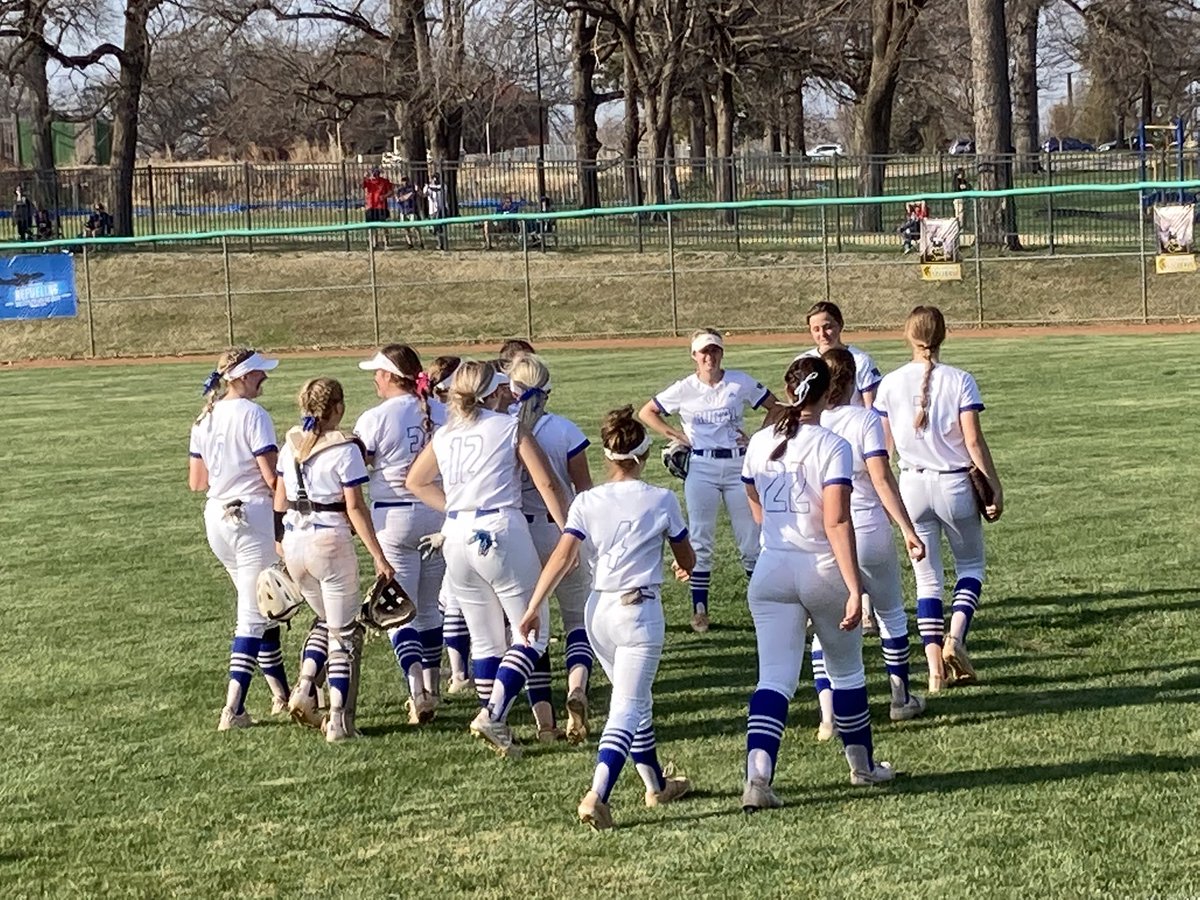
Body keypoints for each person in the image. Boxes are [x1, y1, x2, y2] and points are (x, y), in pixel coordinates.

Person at [517, 406, 695, 830]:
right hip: (638, 610)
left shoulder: (586, 501)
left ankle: (655, 784)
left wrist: (533, 605)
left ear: (609, 456)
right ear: (644, 455)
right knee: (627, 706)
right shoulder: (661, 498)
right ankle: (598, 793)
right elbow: (687, 555)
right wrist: (683, 566)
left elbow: (563, 557)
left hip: (599, 611)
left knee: (636, 701)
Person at [741, 357, 895, 813]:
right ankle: (862, 766)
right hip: (821, 567)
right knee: (846, 670)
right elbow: (837, 519)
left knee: (773, 678)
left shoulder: (761, 440)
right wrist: (854, 586)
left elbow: (752, 494)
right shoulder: (833, 444)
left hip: (773, 568)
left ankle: (757, 778)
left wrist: (773, 532)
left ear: (788, 390)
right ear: (831, 394)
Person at [405, 361, 570, 757]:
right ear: (493, 392)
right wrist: (568, 531)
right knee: (532, 631)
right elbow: (545, 481)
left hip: (458, 534)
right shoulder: (509, 427)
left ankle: (495, 719)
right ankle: (494, 715)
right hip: (500, 528)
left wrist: (456, 509)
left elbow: (415, 481)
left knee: (485, 640)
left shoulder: (446, 434)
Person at [873, 306, 1003, 690]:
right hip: (954, 484)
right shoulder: (960, 380)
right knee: (971, 567)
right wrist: (994, 483)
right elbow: (973, 441)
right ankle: (956, 638)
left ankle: (933, 673)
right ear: (943, 335)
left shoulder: (891, 383)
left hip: (912, 484)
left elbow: (885, 448)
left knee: (926, 581)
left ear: (907, 336)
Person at [808, 347, 927, 739]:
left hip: (827, 533)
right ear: (855, 381)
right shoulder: (865, 421)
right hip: (868, 526)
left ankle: (828, 716)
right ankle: (900, 698)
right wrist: (908, 528)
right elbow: (880, 478)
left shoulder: (807, 425)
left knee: (826, 625)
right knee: (891, 613)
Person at [274, 378, 395, 742]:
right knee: (343, 633)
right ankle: (339, 722)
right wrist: (379, 556)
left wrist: (280, 545)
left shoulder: (290, 443)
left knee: (326, 621)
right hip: (329, 542)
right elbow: (355, 506)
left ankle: (306, 685)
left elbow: (279, 502)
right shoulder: (345, 449)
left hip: (294, 541)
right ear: (338, 408)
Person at [638, 329, 776, 633]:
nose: (709, 357)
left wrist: (758, 438)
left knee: (750, 539)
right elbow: (647, 412)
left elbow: (776, 407)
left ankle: (761, 606)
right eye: (703, 352)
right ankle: (700, 609)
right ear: (694, 356)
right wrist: (675, 434)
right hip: (701, 464)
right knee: (700, 538)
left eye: (714, 351)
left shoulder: (738, 382)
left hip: (738, 463)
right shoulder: (685, 388)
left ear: (722, 353)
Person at [188, 348, 291, 731]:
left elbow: (197, 482)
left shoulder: (206, 417)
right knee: (251, 615)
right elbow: (270, 477)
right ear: (242, 377)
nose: (264, 378)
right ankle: (233, 708)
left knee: (264, 605)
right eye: (259, 373)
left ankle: (281, 693)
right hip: (251, 517)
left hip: (217, 517)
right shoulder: (254, 415)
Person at [353, 344, 446, 725]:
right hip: (439, 512)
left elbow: (357, 467)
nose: (375, 378)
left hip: (393, 517)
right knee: (428, 609)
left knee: (398, 614)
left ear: (391, 376)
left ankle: (417, 690)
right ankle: (433, 685)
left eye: (378, 372)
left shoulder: (375, 418)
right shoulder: (441, 410)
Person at [508, 354, 595, 743]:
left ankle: (544, 719)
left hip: (520, 534)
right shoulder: (564, 430)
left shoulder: (503, 428)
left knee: (532, 625)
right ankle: (577, 687)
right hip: (564, 529)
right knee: (578, 621)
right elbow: (583, 490)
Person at [424, 355, 473, 693]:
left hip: (440, 505)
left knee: (449, 593)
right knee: (455, 594)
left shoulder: (423, 408)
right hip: (459, 505)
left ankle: (457, 669)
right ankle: (461, 673)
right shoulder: (458, 418)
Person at [796, 301, 883, 408]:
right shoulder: (802, 362)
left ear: (840, 324)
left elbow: (871, 406)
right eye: (816, 329)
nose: (822, 334)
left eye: (827, 327)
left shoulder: (860, 360)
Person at [363, 167, 393, 249]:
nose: (375, 175)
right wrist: (365, 177)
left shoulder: (384, 181)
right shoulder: (369, 181)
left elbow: (391, 192)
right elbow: (361, 185)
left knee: (384, 226)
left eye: (376, 173)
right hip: (371, 206)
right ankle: (374, 243)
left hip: (381, 206)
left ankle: (386, 243)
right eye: (373, 173)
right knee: (372, 226)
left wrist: (384, 196)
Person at [394, 177, 424, 249]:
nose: (405, 183)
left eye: (406, 181)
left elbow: (422, 195)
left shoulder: (413, 187)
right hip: (403, 211)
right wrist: (410, 194)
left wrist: (418, 189)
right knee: (405, 228)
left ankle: (420, 242)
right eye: (403, 181)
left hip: (412, 210)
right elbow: (399, 199)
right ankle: (410, 243)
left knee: (415, 227)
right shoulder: (400, 190)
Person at [424, 174, 447, 251]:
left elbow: (438, 190)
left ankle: (441, 244)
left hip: (440, 209)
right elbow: (424, 195)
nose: (435, 180)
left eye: (437, 178)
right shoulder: (428, 187)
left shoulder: (443, 186)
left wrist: (429, 187)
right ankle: (430, 229)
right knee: (435, 229)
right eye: (434, 179)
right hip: (432, 210)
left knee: (440, 228)